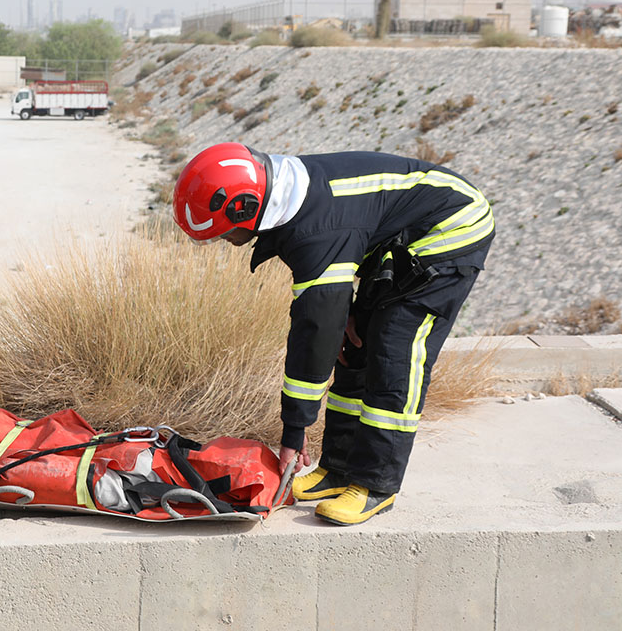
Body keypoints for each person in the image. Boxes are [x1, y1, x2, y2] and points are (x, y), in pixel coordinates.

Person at [172, 142, 493, 525]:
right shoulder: (292, 202)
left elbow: (314, 332)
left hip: (451, 230)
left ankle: (375, 484)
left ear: (244, 207)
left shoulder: (314, 231)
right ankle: (339, 469)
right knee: (354, 348)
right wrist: (346, 313)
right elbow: (337, 292)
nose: (224, 241)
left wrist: (294, 430)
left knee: (394, 350)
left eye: (224, 233)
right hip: (398, 236)